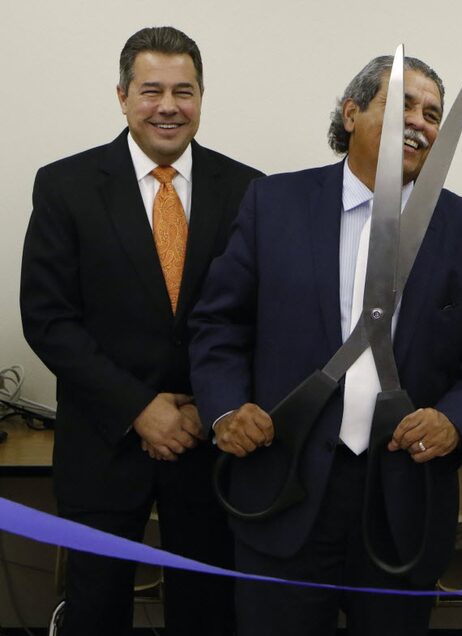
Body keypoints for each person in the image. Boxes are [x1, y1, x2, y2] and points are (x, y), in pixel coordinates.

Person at [188, 54, 462, 636]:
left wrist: (453, 420)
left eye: (434, 113)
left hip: (402, 499)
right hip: (282, 486)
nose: (419, 121)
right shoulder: (273, 205)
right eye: (402, 105)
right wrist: (225, 410)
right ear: (351, 113)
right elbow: (218, 326)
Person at [20, 26, 262, 636]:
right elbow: (49, 320)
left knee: (208, 616)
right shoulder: (65, 186)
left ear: (202, 99)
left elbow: (257, 318)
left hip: (209, 447)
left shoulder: (250, 191)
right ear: (123, 96)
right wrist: (139, 409)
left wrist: (209, 406)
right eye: (151, 90)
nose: (168, 106)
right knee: (96, 613)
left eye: (184, 91)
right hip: (104, 445)